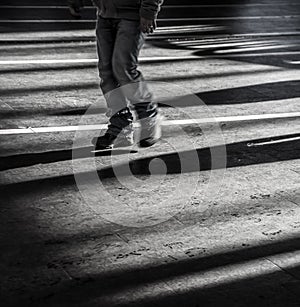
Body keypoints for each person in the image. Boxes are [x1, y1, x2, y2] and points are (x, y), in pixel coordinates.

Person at [91, 0, 164, 150]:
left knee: (123, 68)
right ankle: (121, 127)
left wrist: (148, 11)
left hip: (133, 15)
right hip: (105, 13)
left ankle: (149, 114)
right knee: (107, 73)